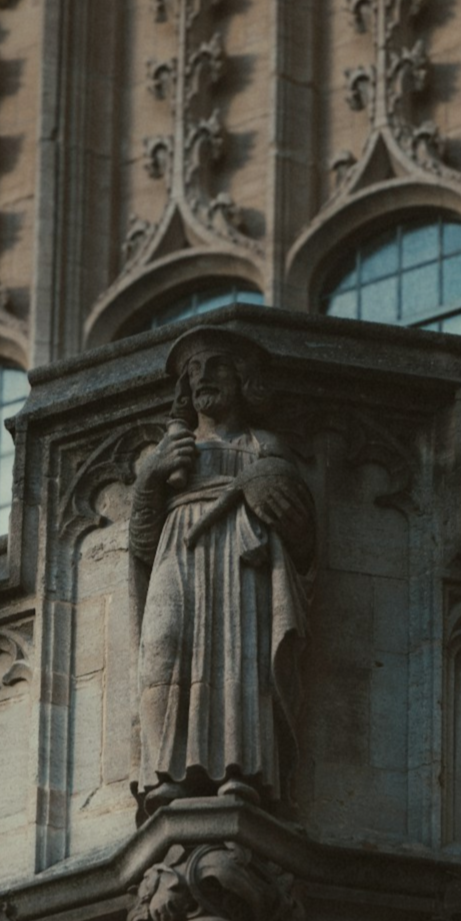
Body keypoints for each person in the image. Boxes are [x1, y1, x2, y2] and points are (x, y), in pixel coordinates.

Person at [129, 327, 315, 816]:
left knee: (238, 656)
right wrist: (151, 478)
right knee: (163, 653)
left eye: (215, 366)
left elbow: (302, 535)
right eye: (193, 371)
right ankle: (165, 774)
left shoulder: (264, 443)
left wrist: (264, 485)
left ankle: (242, 772)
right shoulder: (172, 450)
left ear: (243, 379)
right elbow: (142, 544)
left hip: (240, 552)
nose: (202, 378)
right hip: (178, 551)